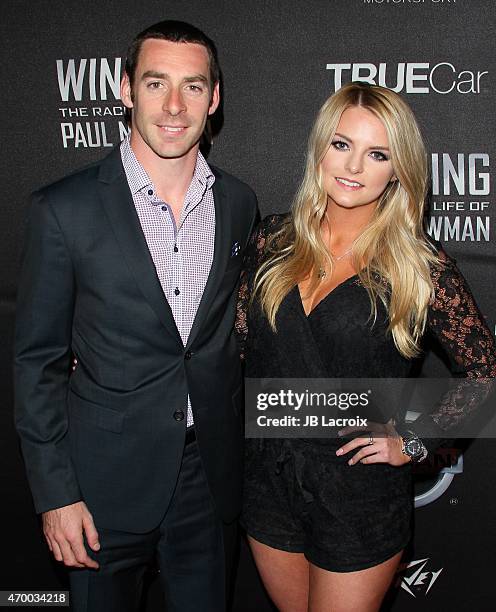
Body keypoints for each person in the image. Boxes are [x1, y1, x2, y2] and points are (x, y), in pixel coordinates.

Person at [15, 20, 258, 612]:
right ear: (125, 90)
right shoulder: (62, 209)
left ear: (215, 98)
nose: (174, 106)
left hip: (210, 478)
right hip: (101, 487)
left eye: (193, 86)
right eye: (156, 84)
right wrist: (55, 496)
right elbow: (37, 364)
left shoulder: (239, 203)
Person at [236, 82, 495, 612]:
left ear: (398, 169)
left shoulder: (419, 265)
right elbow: (233, 347)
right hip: (268, 480)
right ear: (319, 150)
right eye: (341, 145)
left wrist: (416, 442)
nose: (353, 166)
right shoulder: (272, 240)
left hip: (359, 492)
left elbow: (484, 368)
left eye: (377, 153)